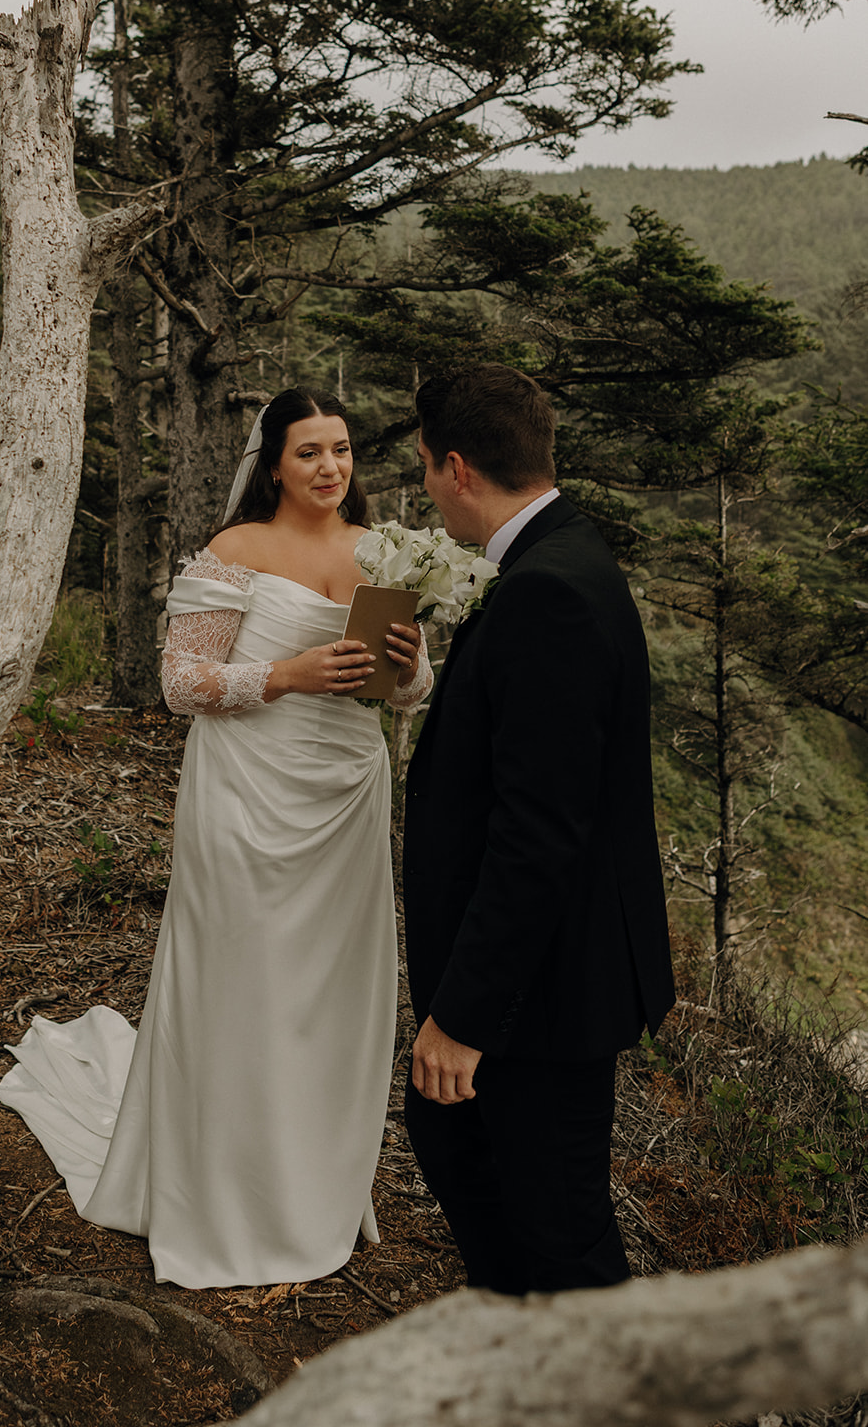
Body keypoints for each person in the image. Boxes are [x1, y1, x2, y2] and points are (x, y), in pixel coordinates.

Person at [0, 386, 431, 1288]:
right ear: (272, 463)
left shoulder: (380, 553)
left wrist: (410, 666)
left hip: (347, 791)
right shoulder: (232, 553)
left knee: (329, 994)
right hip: (246, 790)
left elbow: (409, 695)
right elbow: (180, 683)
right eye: (308, 452)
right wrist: (287, 673)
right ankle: (220, 1194)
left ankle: (310, 1188)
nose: (330, 467)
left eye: (341, 450)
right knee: (245, 976)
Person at [402, 364, 674, 1297]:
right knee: (460, 1153)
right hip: (540, 979)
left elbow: (538, 833)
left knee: (561, 1236)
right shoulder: (557, 555)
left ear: (456, 466)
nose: (429, 489)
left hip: (541, 993)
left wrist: (463, 1017)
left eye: (427, 470)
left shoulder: (546, 592)